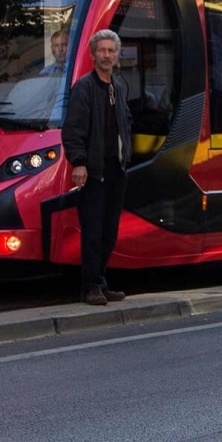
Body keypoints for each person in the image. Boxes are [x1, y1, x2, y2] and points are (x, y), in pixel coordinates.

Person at [61, 29, 132, 306]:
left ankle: (100, 282)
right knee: (92, 230)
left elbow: (125, 121)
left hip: (117, 169)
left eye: (110, 51)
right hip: (93, 171)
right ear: (93, 55)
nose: (106, 55)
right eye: (101, 51)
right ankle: (90, 286)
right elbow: (74, 129)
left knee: (108, 232)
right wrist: (78, 162)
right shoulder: (84, 87)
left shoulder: (119, 86)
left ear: (117, 55)